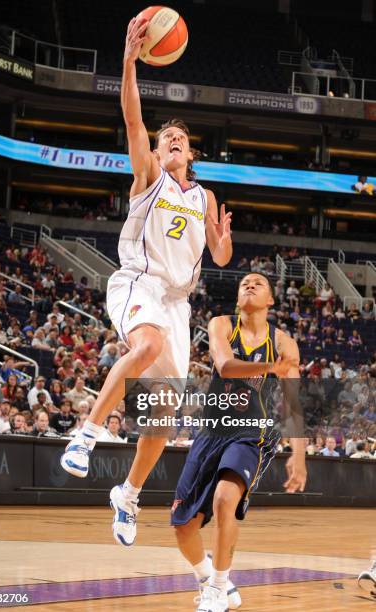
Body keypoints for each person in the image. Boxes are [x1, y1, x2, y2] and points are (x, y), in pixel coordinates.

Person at [60, 14, 232, 547]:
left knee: (161, 420)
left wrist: (222, 238)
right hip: (138, 282)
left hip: (179, 305)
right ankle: (87, 433)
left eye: (181, 137)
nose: (173, 139)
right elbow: (134, 120)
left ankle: (127, 495)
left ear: (192, 153)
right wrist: (130, 61)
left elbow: (222, 259)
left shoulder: (202, 197)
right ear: (157, 153)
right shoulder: (150, 177)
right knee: (147, 340)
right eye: (166, 138)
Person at [172, 273, 306, 611]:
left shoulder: (285, 343)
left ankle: (217, 588)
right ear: (237, 296)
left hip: (252, 432)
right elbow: (225, 365)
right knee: (183, 526)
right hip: (211, 432)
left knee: (223, 500)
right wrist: (269, 366)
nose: (249, 285)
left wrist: (299, 455)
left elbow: (294, 406)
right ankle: (211, 578)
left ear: (271, 300)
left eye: (258, 283)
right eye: (244, 282)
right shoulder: (221, 324)